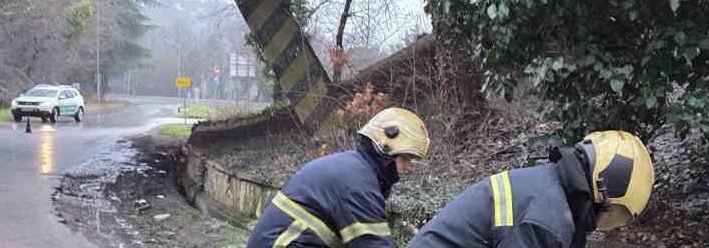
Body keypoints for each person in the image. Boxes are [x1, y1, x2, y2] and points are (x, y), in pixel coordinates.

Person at [407, 130, 654, 248]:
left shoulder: (552, 189)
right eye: (616, 214)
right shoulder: (546, 220)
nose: (608, 224)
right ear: (601, 189)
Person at [247, 107, 430, 248]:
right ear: (384, 150)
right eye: (405, 158)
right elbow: (374, 244)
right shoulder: (357, 183)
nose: (409, 167)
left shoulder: (353, 168)